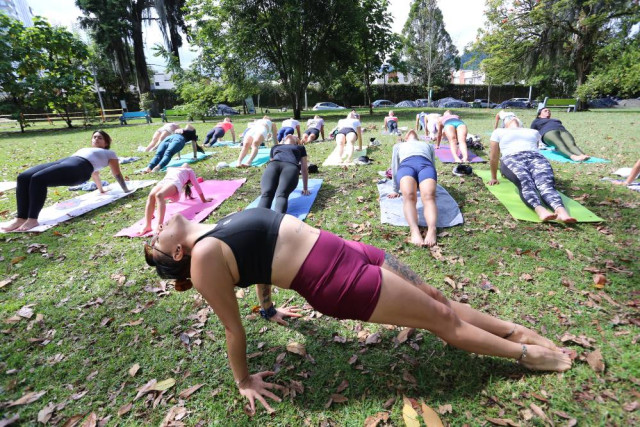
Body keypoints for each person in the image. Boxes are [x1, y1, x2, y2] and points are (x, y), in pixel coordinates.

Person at [144, 208, 572, 414]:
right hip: (337, 281)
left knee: (440, 300)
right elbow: (232, 331)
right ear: (178, 252)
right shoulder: (200, 260)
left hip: (348, 251)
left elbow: (256, 260)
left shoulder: (210, 230)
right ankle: (526, 356)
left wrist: (268, 308)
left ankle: (513, 331)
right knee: (443, 322)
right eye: (156, 238)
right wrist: (243, 380)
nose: (155, 228)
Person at [2, 130, 130, 232]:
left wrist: (125, 190)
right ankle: (20, 218)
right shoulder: (86, 149)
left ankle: (32, 219)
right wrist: (101, 189)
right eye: (94, 137)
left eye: (100, 138)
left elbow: (117, 173)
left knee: (38, 179)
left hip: (79, 169)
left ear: (106, 143)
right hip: (67, 161)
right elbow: (95, 174)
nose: (96, 139)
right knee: (23, 177)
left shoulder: (110, 153)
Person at [488, 117, 576, 223]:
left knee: (545, 184)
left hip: (535, 157)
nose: (512, 118)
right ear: (504, 124)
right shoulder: (499, 132)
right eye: (508, 118)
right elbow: (494, 156)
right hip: (512, 158)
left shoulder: (533, 132)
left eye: (513, 116)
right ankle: (541, 210)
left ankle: (561, 212)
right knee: (525, 182)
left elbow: (537, 148)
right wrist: (493, 177)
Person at [388, 130, 438, 247]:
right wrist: (395, 189)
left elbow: (433, 163)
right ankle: (414, 230)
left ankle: (432, 229)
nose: (411, 131)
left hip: (426, 166)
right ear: (405, 138)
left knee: (429, 196)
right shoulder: (399, 146)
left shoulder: (428, 145)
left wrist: (433, 182)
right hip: (406, 166)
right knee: (409, 195)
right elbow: (395, 166)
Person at [139, 164, 212, 235]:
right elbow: (168, 170)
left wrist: (204, 200)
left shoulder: (189, 171)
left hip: (175, 184)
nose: (186, 164)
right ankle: (147, 225)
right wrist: (151, 213)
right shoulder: (171, 168)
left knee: (159, 195)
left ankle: (159, 226)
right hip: (165, 182)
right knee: (151, 195)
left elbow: (196, 186)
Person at [258, 135, 310, 213]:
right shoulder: (277, 147)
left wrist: (305, 188)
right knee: (273, 194)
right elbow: (304, 169)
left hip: (282, 166)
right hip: (280, 166)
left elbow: (304, 169)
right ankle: (265, 221)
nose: (291, 135)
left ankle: (269, 221)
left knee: (274, 194)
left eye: (294, 136)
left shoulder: (298, 148)